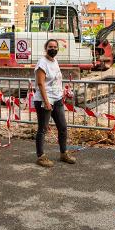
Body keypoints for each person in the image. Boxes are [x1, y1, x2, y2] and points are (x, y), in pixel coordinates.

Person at [33, 39, 75, 167]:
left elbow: (56, 80)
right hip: (44, 100)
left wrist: (62, 94)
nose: (53, 49)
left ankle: (63, 153)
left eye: (55, 47)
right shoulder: (42, 63)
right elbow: (40, 83)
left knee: (62, 127)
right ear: (46, 48)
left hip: (57, 100)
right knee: (43, 129)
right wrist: (46, 102)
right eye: (50, 47)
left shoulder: (54, 61)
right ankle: (40, 156)